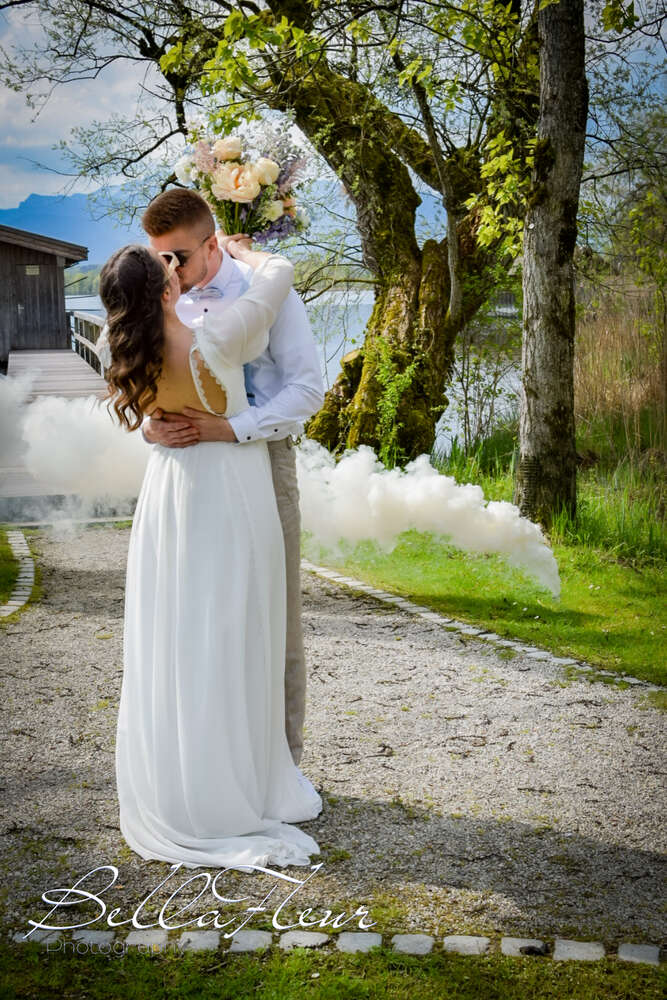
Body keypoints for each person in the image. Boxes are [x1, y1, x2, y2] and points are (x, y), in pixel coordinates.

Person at [100, 236, 322, 869]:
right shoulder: (217, 338)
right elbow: (278, 278)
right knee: (235, 634)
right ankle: (234, 786)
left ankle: (185, 775)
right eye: (167, 266)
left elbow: (150, 414)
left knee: (179, 636)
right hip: (227, 490)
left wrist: (150, 427)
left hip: (169, 494)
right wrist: (239, 251)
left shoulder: (126, 352)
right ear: (165, 287)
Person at [139, 189, 324, 768]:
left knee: (274, 618)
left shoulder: (264, 296)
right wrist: (151, 430)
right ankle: (210, 763)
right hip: (189, 478)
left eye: (179, 258)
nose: (170, 272)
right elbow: (140, 385)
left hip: (263, 463)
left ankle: (280, 767)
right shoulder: (163, 301)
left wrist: (234, 428)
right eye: (158, 259)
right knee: (201, 616)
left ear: (213, 243)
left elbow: (306, 389)